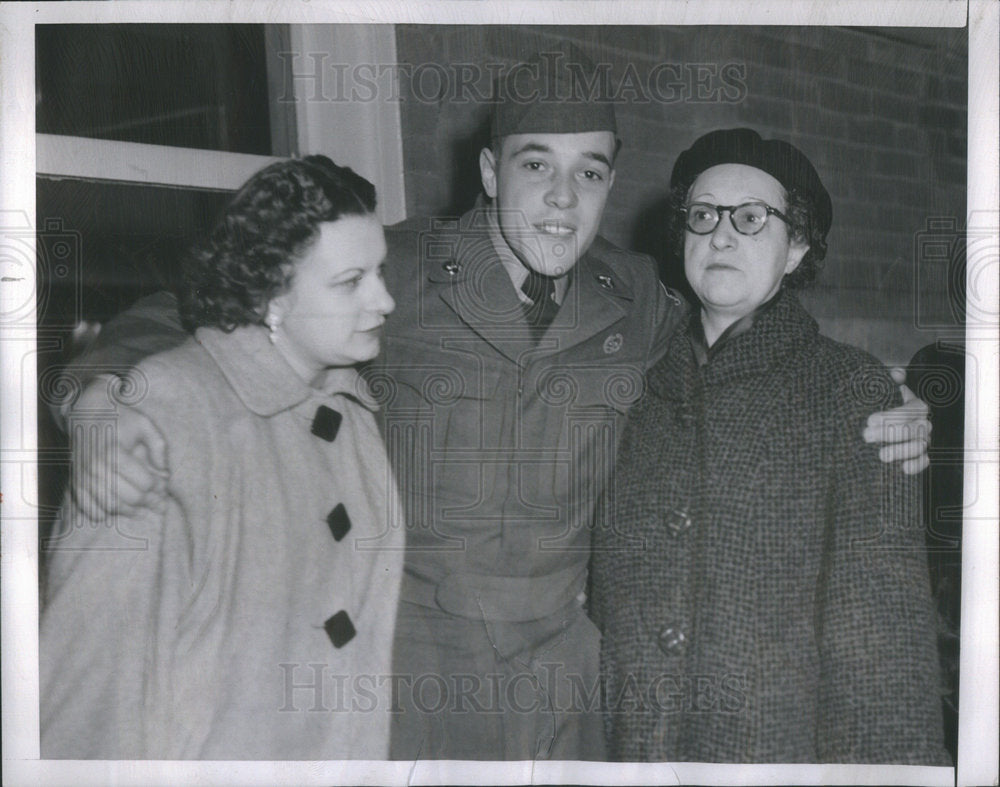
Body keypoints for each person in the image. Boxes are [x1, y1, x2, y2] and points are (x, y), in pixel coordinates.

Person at [56, 50, 932, 761]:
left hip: (572, 678)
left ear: (613, 184)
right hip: (417, 669)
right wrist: (98, 394)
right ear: (488, 170)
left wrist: (885, 402)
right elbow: (198, 304)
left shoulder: (636, 296)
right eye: (535, 166)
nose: (561, 198)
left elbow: (741, 356)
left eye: (589, 173)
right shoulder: (392, 265)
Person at [590, 128, 950, 764]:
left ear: (796, 247)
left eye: (752, 218)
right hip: (625, 751)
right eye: (702, 216)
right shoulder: (630, 382)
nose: (720, 235)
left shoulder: (849, 390)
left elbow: (883, 647)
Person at [40, 156, 403, 759]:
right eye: (351, 281)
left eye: (381, 272)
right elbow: (87, 701)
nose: (386, 300)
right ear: (273, 297)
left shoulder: (351, 413)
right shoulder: (155, 422)